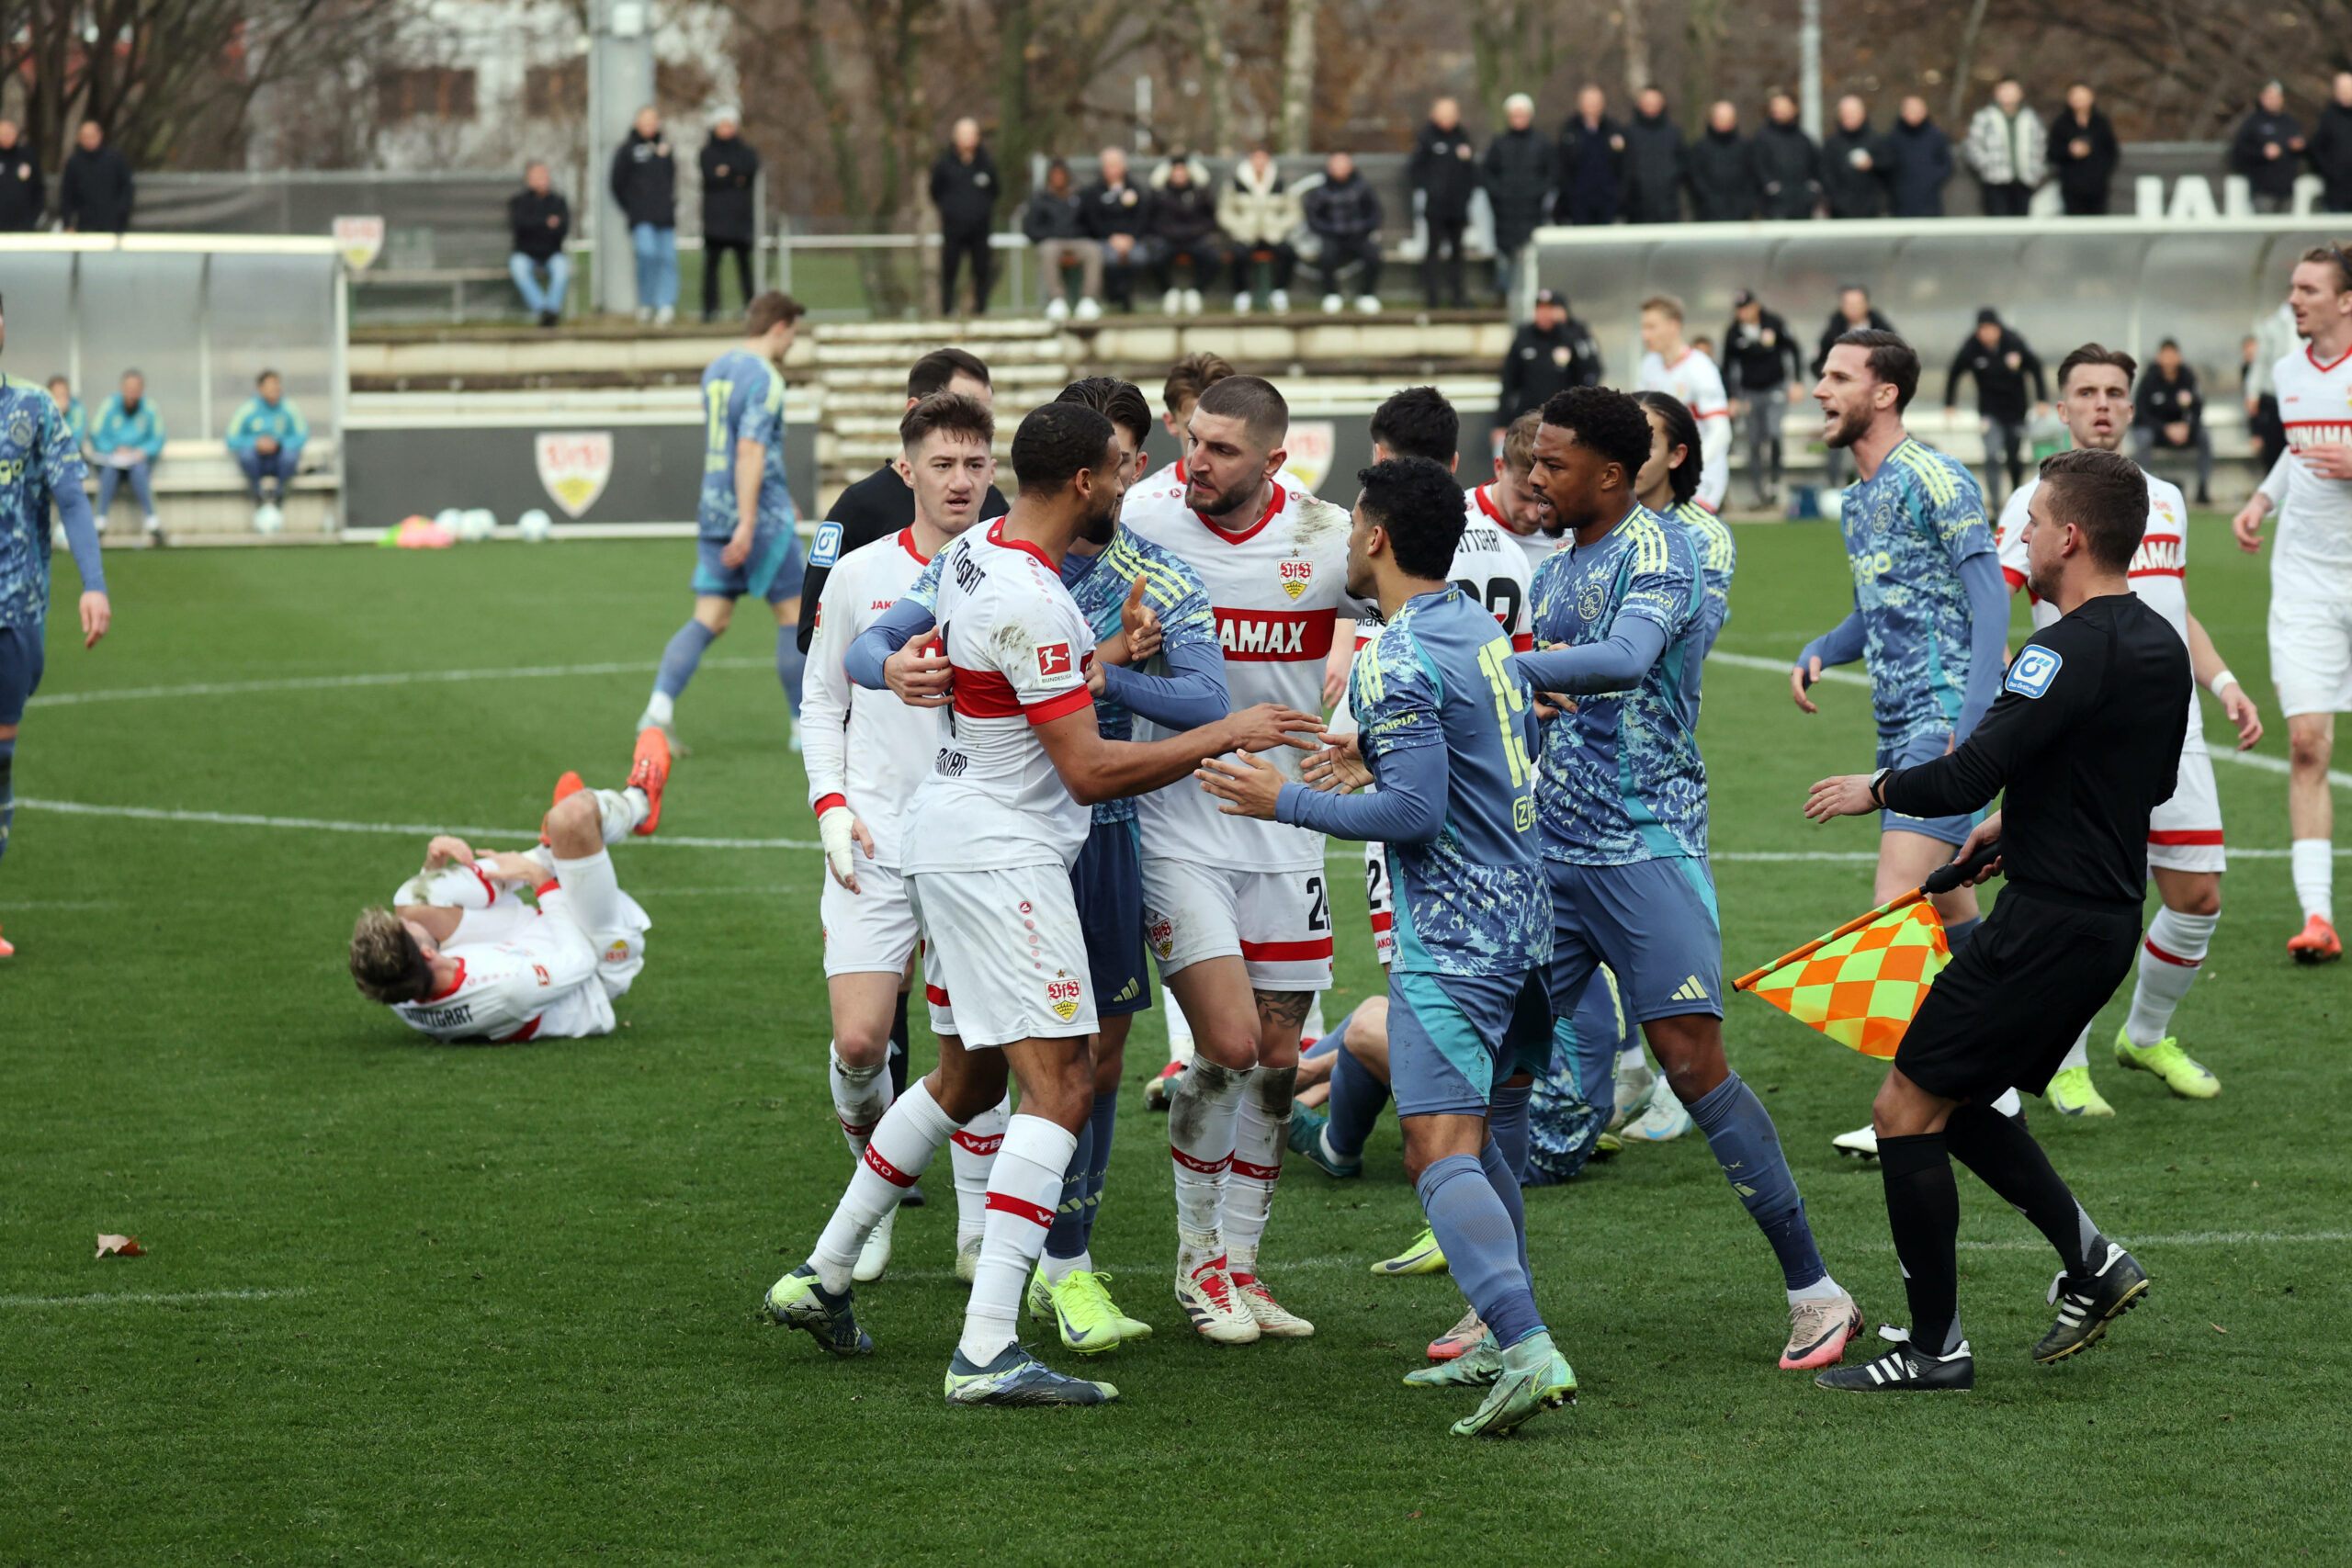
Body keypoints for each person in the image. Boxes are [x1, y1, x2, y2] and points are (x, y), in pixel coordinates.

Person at [763, 401, 1321, 1404]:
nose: (1127, 484)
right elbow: (1089, 770)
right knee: (1062, 1086)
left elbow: (1024, 691)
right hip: (1004, 860)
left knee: (967, 1081)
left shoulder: (979, 549)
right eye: (1114, 470)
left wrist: (1112, 667)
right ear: (1081, 484)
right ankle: (985, 1351)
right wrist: (1223, 731)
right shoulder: (1030, 596)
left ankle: (826, 1271)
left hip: (953, 836)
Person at [1201, 456, 1576, 1436]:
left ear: (1373, 537)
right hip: (1525, 923)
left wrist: (1278, 797)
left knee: (1435, 1152)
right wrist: (1372, 749)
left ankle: (1528, 1347)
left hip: (1455, 940)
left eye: (1349, 526)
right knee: (1488, 1136)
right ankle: (1500, 1335)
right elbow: (1485, 756)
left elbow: (1415, 812)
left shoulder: (1392, 656)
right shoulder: (1474, 629)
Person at [1803, 447, 2183, 1393]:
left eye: (2032, 521)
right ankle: (2091, 1263)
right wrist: (2013, 833)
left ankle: (1935, 1349)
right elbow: (2144, 784)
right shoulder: (2157, 643)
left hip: (2044, 929)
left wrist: (1878, 788)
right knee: (1956, 1100)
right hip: (2097, 925)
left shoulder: (2060, 646)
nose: (2019, 537)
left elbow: (1968, 769)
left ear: (2071, 537)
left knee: (1901, 1109)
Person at [1521, 386, 1860, 1368]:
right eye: (1534, 461)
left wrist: (1505, 667)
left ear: (1612, 476)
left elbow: (1625, 660)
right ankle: (1494, 1305)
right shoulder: (1559, 568)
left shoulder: (1661, 553)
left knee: (1690, 1062)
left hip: (1644, 846)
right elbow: (1557, 702)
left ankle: (1815, 1292)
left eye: (1552, 463)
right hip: (1555, 847)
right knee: (1499, 1060)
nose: (1534, 477)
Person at [1119, 377, 1365, 1343]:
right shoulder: (1143, 517)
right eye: (1193, 440)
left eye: (1222, 448)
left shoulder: (1324, 533)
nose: (1198, 462)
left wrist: (1353, 730)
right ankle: (1194, 1266)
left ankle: (1245, 1266)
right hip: (1176, 823)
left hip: (1286, 829)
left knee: (1275, 1061)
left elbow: (1400, 623)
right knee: (1223, 1048)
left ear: (1275, 456)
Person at [1995, 344, 2263, 1115]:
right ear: (2062, 407)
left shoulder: (2167, 498)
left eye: (2115, 391)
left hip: (2170, 726)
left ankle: (2144, 1035)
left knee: (2198, 894)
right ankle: (2065, 1062)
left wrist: (2224, 682)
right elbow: (1996, 612)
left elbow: (2174, 611)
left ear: (2131, 405)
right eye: (2086, 391)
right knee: (2077, 900)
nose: (2103, 404)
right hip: (2080, 738)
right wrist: (2027, 696)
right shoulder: (2032, 502)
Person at [1026, 375, 1226, 1352]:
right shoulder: (1000, 564)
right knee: (985, 1064)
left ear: (1128, 466)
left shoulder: (1160, 581)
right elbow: (884, 650)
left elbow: (1209, 696)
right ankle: (994, 1240)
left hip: (1103, 834)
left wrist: (1121, 673)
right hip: (1002, 831)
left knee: (1098, 1058)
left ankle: (1067, 1260)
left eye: (1108, 456)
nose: (1095, 475)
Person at [1796, 330, 2011, 1156]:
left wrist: (1974, 721)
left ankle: (1918, 1097)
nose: (1820, 389)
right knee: (1953, 907)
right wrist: (1825, 645)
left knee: (1897, 900)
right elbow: (1883, 603)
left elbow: (1987, 595)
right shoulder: (1856, 498)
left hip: (1945, 718)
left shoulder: (1934, 476)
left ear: (1884, 393)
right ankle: (1999, 1078)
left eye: (1838, 376)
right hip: (1902, 721)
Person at [801, 390, 995, 1287]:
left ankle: (977, 1234)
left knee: (980, 1042)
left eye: (974, 463)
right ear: (906, 468)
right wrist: (830, 806)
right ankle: (868, 1194)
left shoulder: (1012, 571)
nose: (959, 480)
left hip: (975, 837)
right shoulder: (859, 576)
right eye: (942, 464)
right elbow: (822, 701)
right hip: (876, 836)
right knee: (859, 1043)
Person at [348, 734, 670, 1042]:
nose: (404, 919)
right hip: (596, 962)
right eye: (406, 929)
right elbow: (581, 960)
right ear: (428, 953)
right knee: (572, 817)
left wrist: (431, 870)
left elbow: (412, 943)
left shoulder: (400, 985)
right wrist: (541, 881)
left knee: (413, 899)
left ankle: (550, 852)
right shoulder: (506, 991)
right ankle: (640, 801)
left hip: (522, 941)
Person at [2233, 246, 2352, 962]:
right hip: (2305, 580)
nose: (2294, 300)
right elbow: (2298, 448)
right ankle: (2318, 917)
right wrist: (2262, 497)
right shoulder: (2286, 372)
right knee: (2307, 743)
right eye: (2291, 288)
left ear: (2346, 301)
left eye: (2308, 289)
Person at [634, 292, 807, 750]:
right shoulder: (766, 378)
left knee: (709, 617)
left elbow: (737, 447)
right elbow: (749, 448)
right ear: (779, 327)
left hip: (713, 509)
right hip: (756, 517)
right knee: (796, 614)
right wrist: (751, 520)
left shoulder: (716, 370)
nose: (793, 343)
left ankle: (657, 713)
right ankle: (802, 730)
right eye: (794, 333)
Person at [0, 293, 109, 960]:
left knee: (0, 765)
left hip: (15, 615)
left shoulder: (34, 408)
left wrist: (93, 583)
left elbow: (70, 493)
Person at [795, 350, 1009, 656]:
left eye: (983, 413)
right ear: (915, 410)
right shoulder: (857, 507)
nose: (974, 424)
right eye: (963, 407)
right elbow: (811, 635)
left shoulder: (992, 503)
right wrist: (885, 662)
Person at [1634, 294, 1730, 512]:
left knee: (1691, 537)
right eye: (1643, 327)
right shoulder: (1649, 365)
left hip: (1701, 476)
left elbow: (1721, 432)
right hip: (1664, 469)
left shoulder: (1700, 368)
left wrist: (1689, 466)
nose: (1644, 334)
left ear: (1673, 326)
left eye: (1651, 327)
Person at [1944, 308, 2048, 505]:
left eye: (1991, 329)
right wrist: (1950, 404)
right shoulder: (1972, 347)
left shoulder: (2014, 342)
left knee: (2013, 456)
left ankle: (2017, 499)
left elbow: (2035, 366)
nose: (1987, 334)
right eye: (1983, 330)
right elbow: (1954, 371)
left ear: (1998, 329)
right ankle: (1995, 505)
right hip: (1989, 411)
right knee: (1991, 455)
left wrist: (2041, 399)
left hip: (2016, 409)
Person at [1722, 289, 1805, 507]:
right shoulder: (1734, 332)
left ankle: (1775, 483)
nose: (1743, 313)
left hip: (1774, 389)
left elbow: (1794, 350)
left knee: (1774, 432)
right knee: (1754, 440)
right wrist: (1731, 396)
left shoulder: (1773, 323)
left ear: (1755, 306)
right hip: (1749, 393)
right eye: (1739, 309)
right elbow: (1727, 366)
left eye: (1746, 308)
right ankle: (1759, 491)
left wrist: (1796, 381)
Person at [1813, 287, 1896, 489]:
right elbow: (1817, 363)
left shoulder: (1882, 328)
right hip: (1843, 399)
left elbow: (1898, 358)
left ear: (1866, 305)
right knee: (1838, 438)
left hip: (1873, 398)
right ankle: (1835, 487)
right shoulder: (1833, 331)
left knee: (1876, 439)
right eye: (1848, 304)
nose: (1852, 308)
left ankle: (1879, 485)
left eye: (1857, 304)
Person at [1496, 288, 1602, 434]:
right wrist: (1501, 423)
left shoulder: (1572, 336)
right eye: (1540, 309)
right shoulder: (1524, 336)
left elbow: (1590, 372)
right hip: (1528, 419)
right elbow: (1508, 380)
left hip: (1564, 421)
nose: (1544, 314)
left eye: (1549, 309)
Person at [610, 107, 677, 324]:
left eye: (653, 121)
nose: (649, 125)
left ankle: (665, 305)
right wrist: (632, 208)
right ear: (637, 123)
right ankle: (646, 303)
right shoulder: (627, 150)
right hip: (641, 216)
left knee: (667, 259)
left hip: (665, 216)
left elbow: (671, 178)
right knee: (647, 254)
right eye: (645, 121)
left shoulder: (665, 148)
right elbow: (616, 183)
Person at [1410, 98, 1479, 310]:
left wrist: (1466, 194)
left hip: (1458, 206)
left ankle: (1458, 296)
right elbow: (1415, 169)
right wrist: (1431, 190)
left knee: (1458, 252)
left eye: (1451, 114)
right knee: (1433, 251)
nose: (1447, 119)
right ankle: (1432, 299)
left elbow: (1470, 169)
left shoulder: (1462, 136)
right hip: (1435, 207)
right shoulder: (1427, 137)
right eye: (1443, 114)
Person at [1485, 96, 1555, 299]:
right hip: (1505, 212)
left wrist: (1537, 193)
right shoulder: (1499, 144)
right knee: (1504, 257)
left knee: (1531, 256)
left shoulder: (1541, 143)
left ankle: (1533, 295)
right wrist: (1499, 194)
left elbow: (1551, 174)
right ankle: (1503, 296)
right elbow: (1488, 174)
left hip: (1532, 211)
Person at [1218, 145, 1301, 313]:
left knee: (1289, 254)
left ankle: (1279, 292)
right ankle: (1242, 294)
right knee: (1238, 256)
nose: (1259, 163)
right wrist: (1238, 227)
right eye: (1256, 159)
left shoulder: (1280, 182)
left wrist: (1280, 226)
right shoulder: (1236, 183)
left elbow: (1294, 211)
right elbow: (1224, 211)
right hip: (1245, 235)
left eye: (1263, 159)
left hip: (1273, 235)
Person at [930, 118, 1000, 316]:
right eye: (964, 134)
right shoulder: (944, 163)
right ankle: (947, 310)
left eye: (972, 134)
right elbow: (935, 191)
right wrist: (950, 209)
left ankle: (981, 310)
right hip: (953, 228)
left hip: (980, 228)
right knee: (949, 269)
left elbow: (995, 191)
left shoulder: (986, 163)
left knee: (981, 270)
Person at [2132, 339, 2213, 506]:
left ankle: (2203, 488)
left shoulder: (2188, 377)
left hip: (2183, 432)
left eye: (2172, 355)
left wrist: (2187, 428)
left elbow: (2198, 409)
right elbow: (2141, 414)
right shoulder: (2149, 379)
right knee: (2144, 438)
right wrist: (2165, 429)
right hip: (2156, 431)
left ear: (2179, 357)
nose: (2169, 360)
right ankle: (2142, 488)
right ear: (2159, 357)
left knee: (2205, 436)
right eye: (2165, 355)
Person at [1144, 152, 1226, 315]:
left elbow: (1211, 219)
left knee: (1214, 258)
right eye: (1176, 171)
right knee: (1153, 258)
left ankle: (1195, 292)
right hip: (1168, 239)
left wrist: (1194, 231)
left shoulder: (1201, 192)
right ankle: (1169, 292)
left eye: (1183, 171)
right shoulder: (1160, 193)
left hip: (1195, 238)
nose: (1179, 175)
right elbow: (1152, 219)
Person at [1304, 151, 1384, 313]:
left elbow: (1375, 212)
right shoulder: (1321, 190)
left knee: (1374, 257)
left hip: (1358, 235)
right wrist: (1328, 231)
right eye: (1336, 165)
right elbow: (1312, 216)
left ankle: (1367, 295)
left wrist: (1364, 229)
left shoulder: (1362, 187)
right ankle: (1331, 295)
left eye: (1343, 164)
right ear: (1329, 167)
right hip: (1331, 236)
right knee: (1326, 257)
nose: (1340, 168)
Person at [699, 111, 760, 322]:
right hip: (715, 222)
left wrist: (728, 172)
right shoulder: (707, 152)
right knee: (711, 267)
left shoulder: (745, 152)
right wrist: (735, 177)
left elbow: (749, 169)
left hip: (740, 221)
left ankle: (751, 308)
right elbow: (712, 175)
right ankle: (710, 310)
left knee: (744, 267)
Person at [223, 370, 308, 521]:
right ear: (260, 388)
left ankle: (279, 495)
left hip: (279, 459)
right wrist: (256, 443)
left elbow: (302, 435)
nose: (274, 390)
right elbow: (231, 438)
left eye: (276, 386)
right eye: (269, 387)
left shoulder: (289, 407)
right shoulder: (248, 408)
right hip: (257, 460)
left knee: (290, 455)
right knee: (246, 455)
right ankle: (258, 495)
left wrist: (279, 444)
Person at [91, 369, 164, 545]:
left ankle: (153, 523)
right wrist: (113, 449)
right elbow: (95, 433)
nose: (132, 394)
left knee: (140, 471)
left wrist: (141, 451)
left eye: (136, 389)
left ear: (142, 390)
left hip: (137, 461)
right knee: (109, 472)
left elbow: (159, 438)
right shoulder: (109, 405)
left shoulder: (150, 408)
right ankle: (100, 522)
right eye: (128, 389)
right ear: (122, 388)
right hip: (112, 459)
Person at [1026, 158, 1102, 321]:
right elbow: (1031, 228)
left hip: (1077, 240)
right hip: (1052, 241)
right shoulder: (1041, 199)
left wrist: (1075, 232)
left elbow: (1092, 225)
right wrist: (1052, 233)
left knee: (1093, 249)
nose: (1059, 178)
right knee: (1048, 249)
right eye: (1055, 175)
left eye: (1062, 174)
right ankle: (1057, 300)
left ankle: (1088, 299)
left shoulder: (1080, 197)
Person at [1080, 147, 1153, 313]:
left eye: (1116, 165)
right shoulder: (1093, 192)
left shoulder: (1136, 190)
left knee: (1139, 257)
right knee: (1109, 258)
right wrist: (1111, 237)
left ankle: (1125, 295)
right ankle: (1114, 295)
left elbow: (1142, 218)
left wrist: (1130, 238)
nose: (1113, 170)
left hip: (1131, 240)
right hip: (1105, 240)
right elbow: (1092, 220)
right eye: (1109, 166)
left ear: (1124, 166)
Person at [1964, 80, 2044, 217]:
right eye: (2004, 90)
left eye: (2012, 91)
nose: (2008, 94)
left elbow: (2040, 145)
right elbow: (1973, 145)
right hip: (1995, 180)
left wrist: (2036, 170)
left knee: (2022, 223)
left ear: (2020, 94)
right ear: (1996, 93)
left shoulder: (2030, 117)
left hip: (2024, 180)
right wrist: (1987, 165)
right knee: (1998, 223)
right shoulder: (1985, 116)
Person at [506, 162, 571, 327]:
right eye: (536, 176)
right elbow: (519, 227)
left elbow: (562, 229)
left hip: (551, 254)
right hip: (526, 254)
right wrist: (545, 222)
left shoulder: (558, 201)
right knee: (518, 267)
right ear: (529, 180)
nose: (541, 180)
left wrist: (534, 225)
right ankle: (544, 310)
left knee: (562, 268)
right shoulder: (519, 202)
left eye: (543, 175)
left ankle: (550, 310)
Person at [2231, 81, 2305, 215]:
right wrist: (2262, 153)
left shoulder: (2290, 122)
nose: (2273, 101)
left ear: (2282, 99)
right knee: (2265, 230)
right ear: (2262, 98)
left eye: (2276, 97)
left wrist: (2299, 147)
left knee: (2287, 233)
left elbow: (2303, 147)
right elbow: (2239, 151)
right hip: (2263, 190)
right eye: (2269, 97)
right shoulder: (2252, 123)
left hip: (2287, 189)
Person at [1554, 85, 1623, 229]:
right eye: (1588, 102)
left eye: (1595, 102)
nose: (1592, 107)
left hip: (1608, 204)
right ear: (1580, 104)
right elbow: (1561, 167)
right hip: (1577, 204)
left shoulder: (1614, 130)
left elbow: (1623, 167)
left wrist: (1619, 196)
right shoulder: (1568, 131)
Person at [2047, 84, 2119, 216]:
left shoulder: (2101, 123)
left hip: (2098, 184)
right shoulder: (2061, 124)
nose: (2079, 100)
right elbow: (2052, 152)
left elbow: (2111, 151)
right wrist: (2069, 151)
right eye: (2076, 96)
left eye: (2083, 96)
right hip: (2070, 185)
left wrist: (2102, 172)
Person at [1753, 93, 1823, 220]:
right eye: (1776, 107)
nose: (1779, 110)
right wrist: (1772, 190)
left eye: (1784, 107)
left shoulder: (1803, 140)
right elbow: (1758, 169)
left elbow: (1817, 168)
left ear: (1794, 109)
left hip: (1803, 208)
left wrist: (1811, 193)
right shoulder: (1762, 139)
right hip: (1773, 208)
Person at [1685, 100, 1757, 222]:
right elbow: (1695, 178)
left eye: (1728, 118)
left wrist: (1744, 204)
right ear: (1712, 120)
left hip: (1740, 214)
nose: (1724, 122)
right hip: (1708, 213)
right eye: (1720, 118)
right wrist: (1708, 200)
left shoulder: (1745, 147)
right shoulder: (1700, 148)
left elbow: (1752, 178)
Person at [1883, 95, 1953, 218]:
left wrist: (1931, 181)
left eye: (1916, 110)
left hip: (1930, 202)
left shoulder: (1936, 136)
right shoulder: (1893, 138)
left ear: (1924, 111)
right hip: (1900, 204)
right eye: (1909, 110)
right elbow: (1886, 167)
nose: (1913, 114)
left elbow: (1947, 165)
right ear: (1903, 112)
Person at [1622, 87, 1685, 223]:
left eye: (1654, 103)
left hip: (1668, 208)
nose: (1651, 107)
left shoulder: (1674, 133)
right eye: (1647, 103)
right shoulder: (1628, 133)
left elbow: (1682, 165)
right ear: (1639, 104)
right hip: (1636, 209)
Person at [59, 120, 130, 234]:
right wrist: (68, 223)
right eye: (85, 137)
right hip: (84, 226)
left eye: (92, 136)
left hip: (112, 226)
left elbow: (126, 189)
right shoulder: (73, 163)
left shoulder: (115, 159)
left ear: (100, 135)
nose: (89, 140)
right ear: (79, 139)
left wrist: (121, 216)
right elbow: (66, 195)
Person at [1821, 96, 1888, 219]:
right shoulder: (1832, 144)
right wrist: (1837, 201)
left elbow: (1889, 167)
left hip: (1871, 211)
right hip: (1840, 212)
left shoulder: (1876, 141)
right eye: (1845, 113)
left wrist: (1872, 164)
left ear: (1862, 114)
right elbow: (1826, 175)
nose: (1849, 117)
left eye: (1853, 113)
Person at [2307, 72, 2352, 214]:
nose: (2346, 93)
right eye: (2342, 90)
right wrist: (2330, 172)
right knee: (2338, 235)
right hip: (2337, 192)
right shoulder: (2328, 117)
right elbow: (2315, 149)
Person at [0, 121, 42, 231]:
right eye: (3, 134)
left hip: (24, 226)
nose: (6, 137)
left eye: (9, 134)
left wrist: (33, 217)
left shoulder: (27, 157)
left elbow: (38, 189)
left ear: (15, 134)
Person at [45, 376, 85, 452]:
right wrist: (56, 414)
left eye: (64, 395)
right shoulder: (44, 411)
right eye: (57, 396)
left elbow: (73, 442)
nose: (61, 400)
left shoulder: (77, 410)